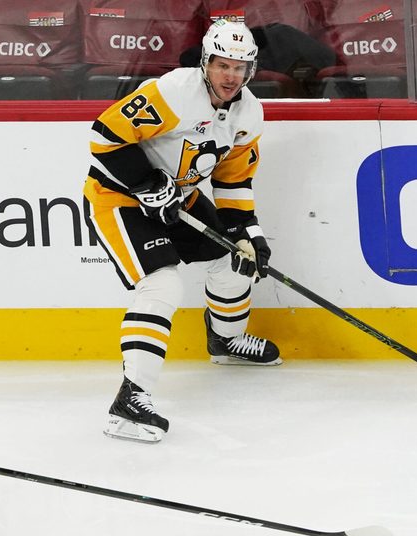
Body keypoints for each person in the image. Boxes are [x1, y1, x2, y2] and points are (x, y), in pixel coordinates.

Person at [82, 19, 281, 445]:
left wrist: (248, 232)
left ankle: (225, 342)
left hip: (181, 199)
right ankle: (130, 400)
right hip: (120, 199)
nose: (231, 75)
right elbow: (104, 137)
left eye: (240, 67)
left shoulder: (249, 113)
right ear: (206, 63)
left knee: (235, 262)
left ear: (251, 70)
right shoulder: (173, 92)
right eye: (222, 65)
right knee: (162, 284)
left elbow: (232, 180)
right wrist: (146, 183)